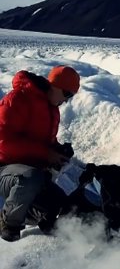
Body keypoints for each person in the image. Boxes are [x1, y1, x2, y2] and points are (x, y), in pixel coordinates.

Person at [0, 65, 80, 242]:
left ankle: (37, 214)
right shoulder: (18, 99)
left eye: (71, 96)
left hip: (33, 169)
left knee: (61, 200)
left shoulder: (52, 108)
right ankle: (8, 222)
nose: (66, 100)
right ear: (55, 85)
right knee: (30, 177)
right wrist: (46, 154)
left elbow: (45, 142)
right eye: (67, 94)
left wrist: (57, 150)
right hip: (5, 170)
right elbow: (3, 142)